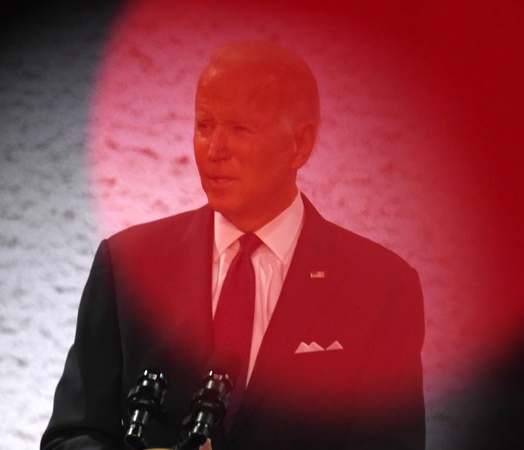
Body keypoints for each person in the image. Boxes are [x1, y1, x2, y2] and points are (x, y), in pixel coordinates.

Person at [42, 41, 425, 449]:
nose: (215, 150)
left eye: (241, 129)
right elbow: (72, 436)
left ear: (300, 145)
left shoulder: (381, 286)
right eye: (204, 126)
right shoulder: (127, 265)